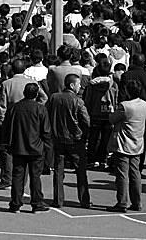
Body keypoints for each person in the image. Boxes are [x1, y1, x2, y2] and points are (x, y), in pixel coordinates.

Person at [3, 83, 51, 213]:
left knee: (18, 176)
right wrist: (47, 147)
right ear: (36, 94)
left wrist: (7, 143)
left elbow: (6, 127)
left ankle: (15, 203)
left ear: (24, 93)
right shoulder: (40, 109)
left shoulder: (15, 108)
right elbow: (46, 131)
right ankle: (37, 203)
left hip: (19, 146)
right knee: (35, 177)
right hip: (36, 147)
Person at [48, 73, 91, 209]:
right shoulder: (78, 101)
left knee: (58, 171)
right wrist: (84, 135)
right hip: (75, 140)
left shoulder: (54, 98)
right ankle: (84, 200)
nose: (80, 87)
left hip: (58, 138)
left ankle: (58, 199)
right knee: (81, 171)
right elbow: (86, 121)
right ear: (72, 85)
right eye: (78, 85)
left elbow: (46, 114)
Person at [107, 80, 146, 212]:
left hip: (124, 143)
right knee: (135, 173)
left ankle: (122, 202)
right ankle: (137, 202)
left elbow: (112, 119)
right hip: (137, 143)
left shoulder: (125, 106)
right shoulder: (144, 105)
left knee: (122, 175)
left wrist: (111, 111)